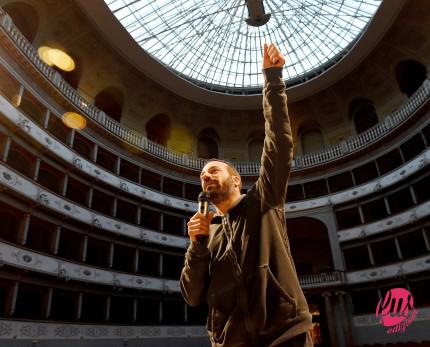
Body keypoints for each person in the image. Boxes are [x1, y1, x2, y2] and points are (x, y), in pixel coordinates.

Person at [180, 43, 313, 347]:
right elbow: (193, 296)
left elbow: (279, 141)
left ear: (237, 179)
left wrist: (273, 80)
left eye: (214, 170)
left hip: (285, 336)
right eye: (203, 175)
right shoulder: (207, 233)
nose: (206, 175)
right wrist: (196, 248)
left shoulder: (263, 201)